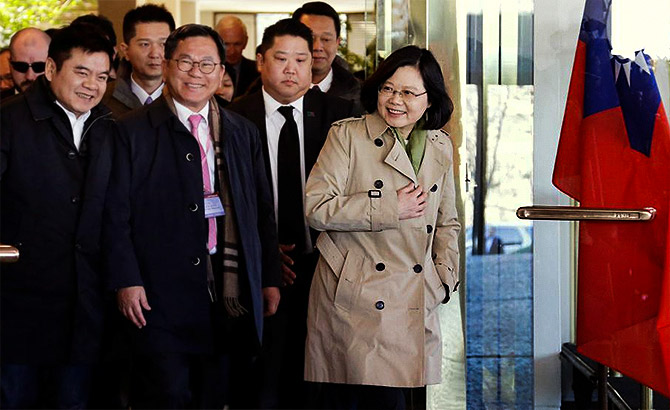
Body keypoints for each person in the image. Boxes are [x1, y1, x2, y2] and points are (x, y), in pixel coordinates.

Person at [104, 24, 280, 409]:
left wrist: (268, 279)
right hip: (158, 290)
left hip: (225, 289)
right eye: (185, 62)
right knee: (166, 394)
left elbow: (261, 212)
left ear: (222, 73)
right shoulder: (131, 131)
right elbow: (114, 215)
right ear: (167, 66)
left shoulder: (241, 131)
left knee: (215, 393)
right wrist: (127, 280)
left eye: (207, 64)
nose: (196, 72)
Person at [303, 45, 460, 409]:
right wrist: (391, 206)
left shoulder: (439, 144)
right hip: (358, 301)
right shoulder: (347, 136)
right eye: (388, 88)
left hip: (419, 295)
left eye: (408, 92)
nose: (395, 100)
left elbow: (447, 221)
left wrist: (443, 278)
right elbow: (316, 208)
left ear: (429, 98)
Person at [227, 18, 356, 409]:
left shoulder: (341, 117)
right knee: (263, 378)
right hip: (257, 267)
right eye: (281, 58)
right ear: (261, 60)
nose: (291, 68)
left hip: (326, 261)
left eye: (300, 59)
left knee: (321, 378)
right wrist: (266, 254)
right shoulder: (232, 117)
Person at [0, 23, 116, 409]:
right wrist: (7, 255)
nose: (92, 85)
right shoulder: (9, 121)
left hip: (85, 308)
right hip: (16, 305)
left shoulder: (109, 127)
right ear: (51, 69)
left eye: (101, 76)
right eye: (81, 72)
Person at [103, 4, 175, 115]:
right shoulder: (103, 98)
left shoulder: (185, 97)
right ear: (125, 50)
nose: (155, 54)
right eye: (145, 44)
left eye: (163, 44)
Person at [293, 2, 361, 108]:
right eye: (310, 38)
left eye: (326, 39)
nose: (317, 47)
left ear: (337, 42)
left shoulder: (359, 94)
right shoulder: (270, 90)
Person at [215, 15, 259, 98]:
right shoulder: (205, 70)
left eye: (237, 44)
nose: (232, 51)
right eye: (226, 44)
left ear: (245, 42)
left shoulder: (258, 72)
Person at [8, 27, 50, 93]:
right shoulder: (3, 102)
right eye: (21, 67)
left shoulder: (65, 101)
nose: (29, 76)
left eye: (39, 67)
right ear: (10, 64)